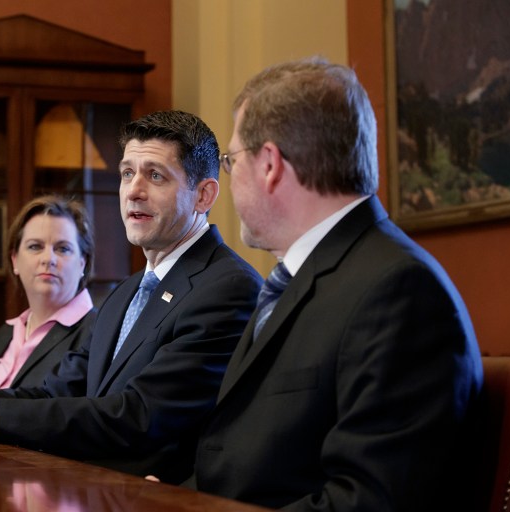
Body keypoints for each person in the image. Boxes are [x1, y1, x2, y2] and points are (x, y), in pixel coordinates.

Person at [0, 110, 262, 483]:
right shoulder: (125, 292)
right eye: (126, 173)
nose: (133, 191)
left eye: (155, 176)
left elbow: (139, 417)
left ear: (204, 195)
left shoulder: (226, 287)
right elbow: (53, 394)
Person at [190, 58, 483, 510]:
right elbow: (243, 464)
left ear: (269, 164)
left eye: (230, 161)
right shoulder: (296, 279)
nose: (230, 178)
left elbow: (369, 499)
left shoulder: (400, 293)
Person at [0, 195, 96, 389]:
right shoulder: (6, 333)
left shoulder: (96, 333)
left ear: (82, 262)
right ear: (15, 260)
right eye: (35, 246)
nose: (48, 259)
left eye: (63, 249)